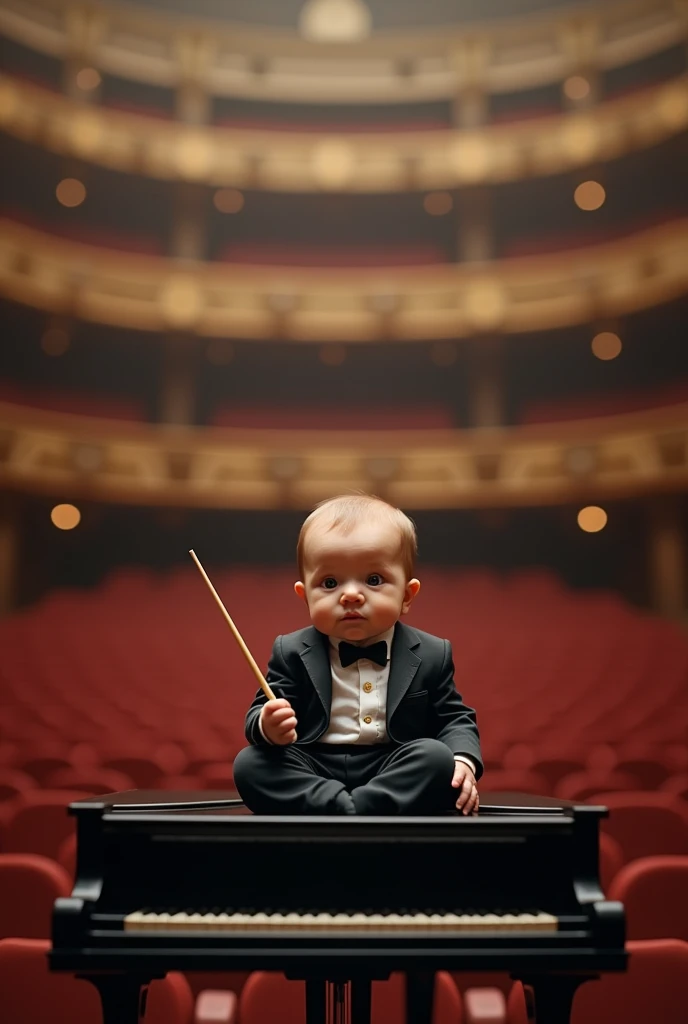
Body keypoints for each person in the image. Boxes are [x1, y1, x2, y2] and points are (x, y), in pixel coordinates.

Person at [233, 494, 482, 815]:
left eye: (374, 580)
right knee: (250, 763)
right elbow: (258, 715)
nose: (350, 594)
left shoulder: (433, 652)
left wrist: (463, 759)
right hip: (314, 762)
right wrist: (268, 726)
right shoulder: (290, 650)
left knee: (435, 757)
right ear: (305, 596)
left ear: (407, 595)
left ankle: (341, 809)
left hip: (392, 762)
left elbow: (454, 718)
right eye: (330, 582)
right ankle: (355, 808)